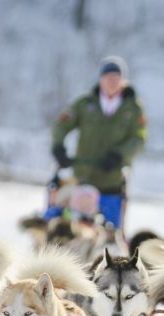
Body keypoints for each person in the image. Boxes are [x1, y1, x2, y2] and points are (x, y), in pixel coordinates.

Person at [52, 56, 147, 243]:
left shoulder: (133, 109)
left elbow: (139, 139)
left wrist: (120, 155)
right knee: (76, 231)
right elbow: (61, 125)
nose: (112, 82)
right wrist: (58, 146)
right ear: (100, 79)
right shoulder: (85, 104)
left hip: (112, 181)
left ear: (122, 80)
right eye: (108, 77)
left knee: (110, 235)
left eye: (116, 78)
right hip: (83, 178)